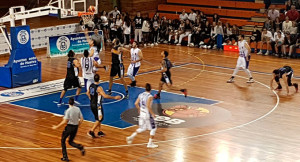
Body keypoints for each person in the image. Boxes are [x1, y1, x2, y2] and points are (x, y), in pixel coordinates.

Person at [52, 97, 85, 161]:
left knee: (63, 140)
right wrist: (78, 125)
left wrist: (56, 126)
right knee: (70, 141)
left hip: (69, 127)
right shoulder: (78, 109)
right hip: (75, 127)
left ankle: (65, 156)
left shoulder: (68, 111)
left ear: (68, 103)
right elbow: (82, 119)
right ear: (74, 102)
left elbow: (64, 121)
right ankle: (80, 147)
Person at [126, 83, 158, 148]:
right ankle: (150, 143)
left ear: (145, 88)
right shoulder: (150, 96)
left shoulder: (141, 94)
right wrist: (152, 114)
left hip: (142, 113)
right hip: (147, 114)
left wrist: (139, 109)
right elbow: (148, 106)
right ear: (151, 89)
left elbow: (135, 103)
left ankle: (131, 137)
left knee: (142, 128)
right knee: (154, 128)